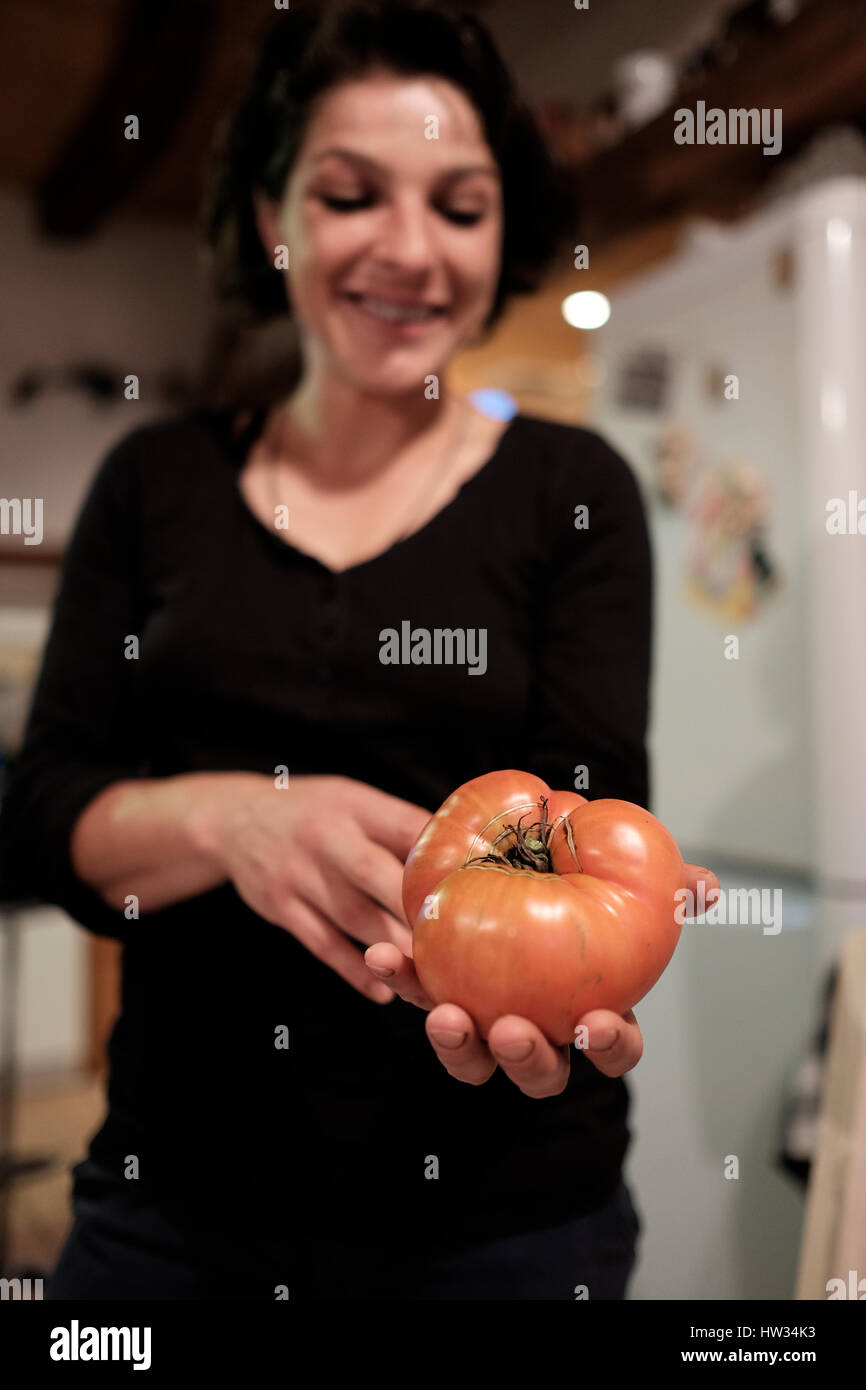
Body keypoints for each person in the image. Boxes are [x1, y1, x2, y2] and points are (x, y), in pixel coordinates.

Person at [0, 0, 714, 1300]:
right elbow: (40, 816)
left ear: (501, 236)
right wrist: (233, 819)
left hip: (507, 1224)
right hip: (172, 1210)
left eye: (458, 204)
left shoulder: (576, 486)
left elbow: (598, 811)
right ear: (274, 221)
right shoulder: (153, 482)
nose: (408, 248)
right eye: (349, 193)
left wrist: (604, 924)